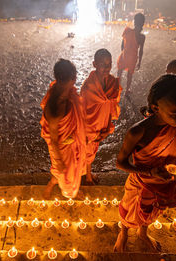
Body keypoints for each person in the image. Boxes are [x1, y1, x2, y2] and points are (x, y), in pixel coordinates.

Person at [113, 74, 176, 252]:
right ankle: (124, 233)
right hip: (141, 182)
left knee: (153, 212)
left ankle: (143, 233)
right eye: (175, 114)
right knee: (130, 211)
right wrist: (150, 172)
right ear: (155, 108)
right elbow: (120, 163)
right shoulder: (138, 132)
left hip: (166, 184)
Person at [40, 59, 86, 199]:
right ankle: (69, 192)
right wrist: (59, 160)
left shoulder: (64, 91)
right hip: (61, 149)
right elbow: (54, 141)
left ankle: (50, 187)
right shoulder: (56, 107)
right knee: (64, 173)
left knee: (62, 172)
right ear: (74, 78)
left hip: (71, 143)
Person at [81, 49, 122, 185]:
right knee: (88, 150)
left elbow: (111, 105)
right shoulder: (88, 86)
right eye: (102, 64)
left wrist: (108, 126)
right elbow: (83, 109)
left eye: (109, 64)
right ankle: (86, 177)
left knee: (93, 149)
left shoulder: (112, 83)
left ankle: (86, 173)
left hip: (102, 123)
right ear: (94, 64)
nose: (106, 68)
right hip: (89, 126)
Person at [117, 13, 145, 93]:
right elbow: (141, 51)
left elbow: (122, 45)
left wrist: (123, 52)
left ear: (134, 22)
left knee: (119, 72)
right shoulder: (142, 37)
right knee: (129, 75)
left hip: (124, 55)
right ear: (143, 23)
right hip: (133, 58)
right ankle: (127, 90)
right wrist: (139, 62)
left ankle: (117, 88)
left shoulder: (127, 31)